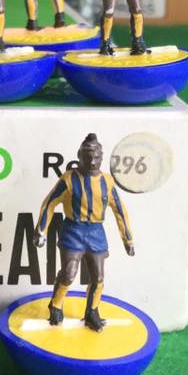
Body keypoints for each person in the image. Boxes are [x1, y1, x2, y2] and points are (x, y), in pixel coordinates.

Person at [33, 133, 134, 333]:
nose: (92, 162)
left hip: (96, 232)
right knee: (69, 273)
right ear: (79, 157)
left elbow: (120, 210)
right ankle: (56, 304)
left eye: (96, 157)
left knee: (98, 277)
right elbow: (50, 203)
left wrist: (128, 239)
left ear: (101, 157)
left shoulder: (107, 181)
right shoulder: (69, 179)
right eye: (88, 157)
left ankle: (92, 311)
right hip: (73, 230)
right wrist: (41, 230)